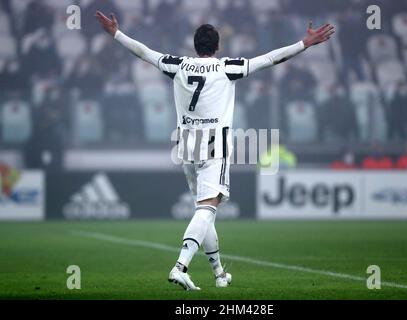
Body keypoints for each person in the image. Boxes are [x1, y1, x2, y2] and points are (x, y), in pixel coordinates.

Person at [95, 11, 334, 291]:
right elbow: (270, 59)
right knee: (208, 209)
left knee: (204, 210)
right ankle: (180, 266)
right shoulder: (226, 68)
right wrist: (303, 44)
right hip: (213, 147)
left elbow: (144, 52)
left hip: (186, 146)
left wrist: (116, 34)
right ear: (217, 47)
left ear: (194, 48)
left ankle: (219, 274)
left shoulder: (179, 65)